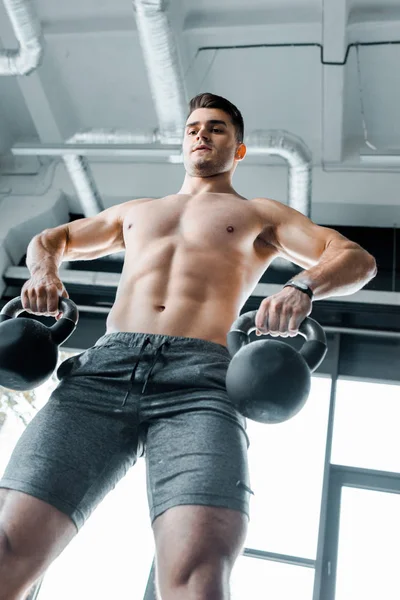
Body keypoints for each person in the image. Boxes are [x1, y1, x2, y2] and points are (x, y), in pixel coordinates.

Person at [0, 92, 376, 600]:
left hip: (201, 384)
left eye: (217, 128)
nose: (202, 134)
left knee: (199, 574)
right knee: (8, 547)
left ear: (238, 149)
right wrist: (43, 275)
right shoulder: (135, 213)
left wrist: (301, 286)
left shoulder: (259, 214)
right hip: (102, 372)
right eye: (194, 127)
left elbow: (356, 258)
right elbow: (50, 240)